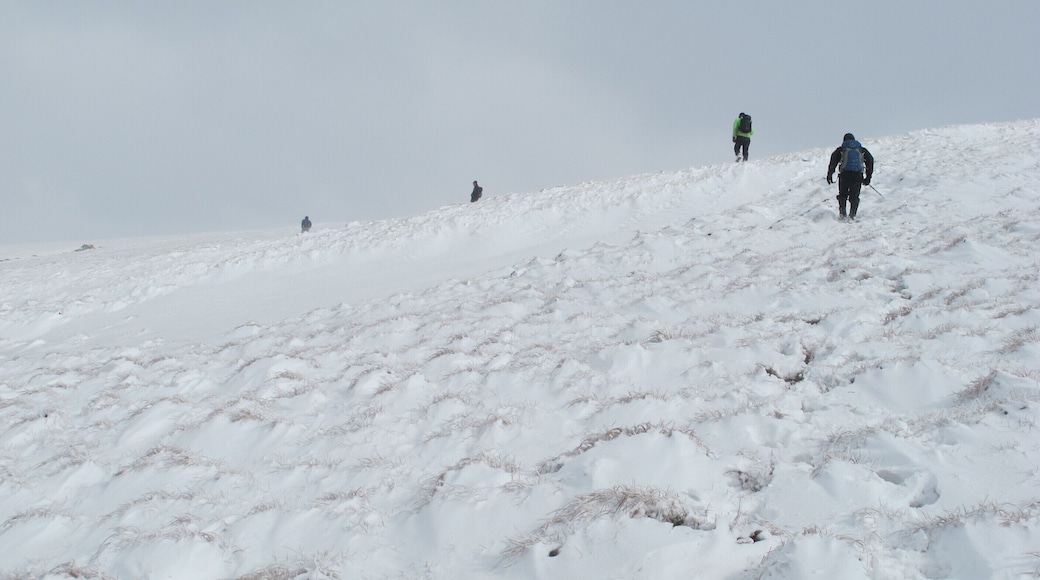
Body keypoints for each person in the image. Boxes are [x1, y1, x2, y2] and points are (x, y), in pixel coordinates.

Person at [826, 133, 875, 220]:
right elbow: (870, 160)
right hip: (857, 175)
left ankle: (843, 214)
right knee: (854, 196)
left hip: (844, 175)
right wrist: (868, 177)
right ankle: (852, 215)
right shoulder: (861, 149)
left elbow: (833, 161)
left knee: (843, 195)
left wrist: (830, 174)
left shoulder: (841, 150)